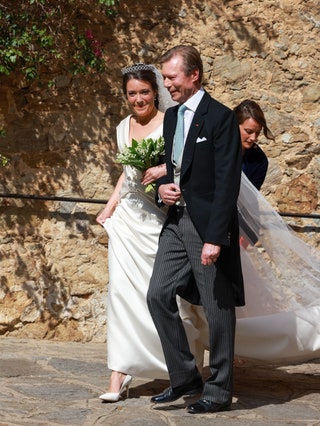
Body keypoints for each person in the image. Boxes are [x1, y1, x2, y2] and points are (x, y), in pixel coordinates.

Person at [147, 45, 244, 414]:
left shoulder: (220, 118)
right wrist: (163, 187)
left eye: (171, 77)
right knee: (157, 294)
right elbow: (172, 168)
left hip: (206, 227)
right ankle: (185, 377)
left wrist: (215, 237)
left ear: (193, 75)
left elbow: (226, 183)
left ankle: (219, 391)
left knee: (217, 308)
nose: (166, 83)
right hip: (175, 222)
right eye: (165, 77)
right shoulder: (172, 118)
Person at [96, 63, 175, 402]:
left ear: (155, 91)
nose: (138, 99)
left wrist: (162, 172)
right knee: (121, 295)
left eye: (144, 91)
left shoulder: (171, 123)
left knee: (162, 295)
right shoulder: (121, 127)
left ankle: (177, 364)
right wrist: (110, 205)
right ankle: (118, 372)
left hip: (161, 220)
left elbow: (185, 165)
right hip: (128, 221)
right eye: (132, 93)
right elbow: (127, 173)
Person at [234, 99, 274, 190]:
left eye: (257, 133)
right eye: (249, 131)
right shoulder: (216, 148)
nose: (253, 138)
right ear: (234, 125)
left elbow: (251, 195)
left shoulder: (260, 160)